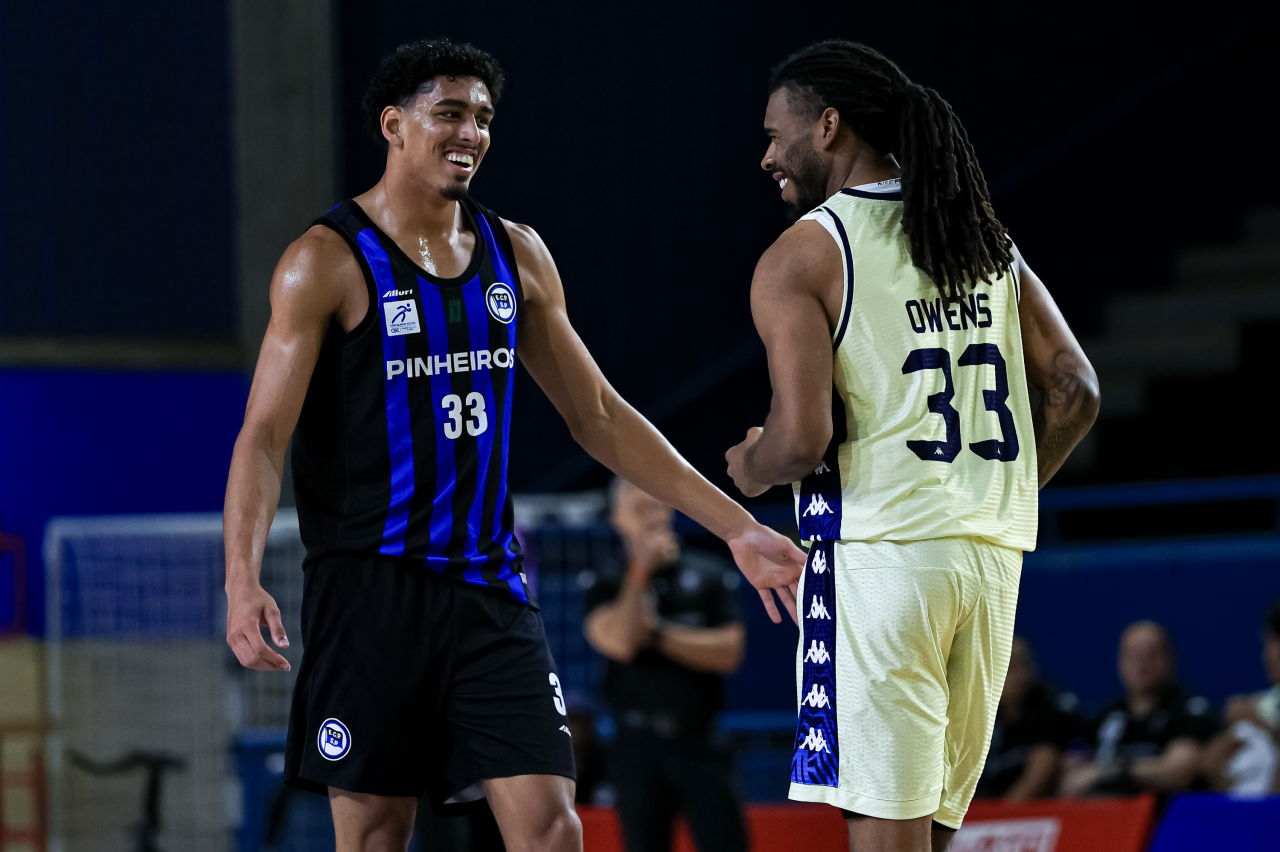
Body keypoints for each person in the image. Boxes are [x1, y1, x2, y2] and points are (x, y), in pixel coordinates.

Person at [222, 39, 805, 852]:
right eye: (450, 113)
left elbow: (598, 413)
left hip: (491, 591)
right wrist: (240, 577)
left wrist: (736, 525)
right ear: (395, 124)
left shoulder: (516, 252)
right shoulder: (323, 261)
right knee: (374, 835)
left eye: (484, 118)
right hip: (370, 593)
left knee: (550, 826)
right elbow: (263, 437)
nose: (472, 133)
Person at [723, 40, 1100, 852]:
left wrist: (749, 463)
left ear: (827, 127)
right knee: (925, 829)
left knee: (886, 833)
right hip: (992, 561)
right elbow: (1077, 389)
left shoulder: (808, 252)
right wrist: (1006, 492)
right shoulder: (981, 238)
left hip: (883, 557)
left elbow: (802, 440)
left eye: (775, 133)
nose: (766, 155)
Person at [582, 479, 748, 852]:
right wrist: (640, 571)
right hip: (634, 743)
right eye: (640, 509)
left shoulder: (709, 572)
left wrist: (655, 635)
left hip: (700, 737)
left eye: (658, 506)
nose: (652, 518)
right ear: (616, 518)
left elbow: (729, 651)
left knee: (726, 842)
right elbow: (622, 643)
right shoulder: (604, 581)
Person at [1061, 621, 1218, 798]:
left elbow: (1177, 771)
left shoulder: (1191, 709)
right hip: (1104, 815)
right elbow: (1075, 770)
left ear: (1170, 659)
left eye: (1151, 654)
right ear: (1120, 662)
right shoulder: (1106, 714)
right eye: (1133, 655)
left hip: (1164, 818)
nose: (1141, 664)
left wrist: (1104, 771)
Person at [974, 637, 1073, 800]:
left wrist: (998, 818)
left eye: (1026, 664)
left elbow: (1037, 777)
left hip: (1024, 812)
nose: (1021, 674)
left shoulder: (1048, 707)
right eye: (1010, 666)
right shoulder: (975, 711)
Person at [1202, 601, 1280, 794]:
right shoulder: (1257, 703)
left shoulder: (1253, 709)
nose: (1267, 655)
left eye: (1271, 644)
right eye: (1267, 645)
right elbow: (1210, 764)